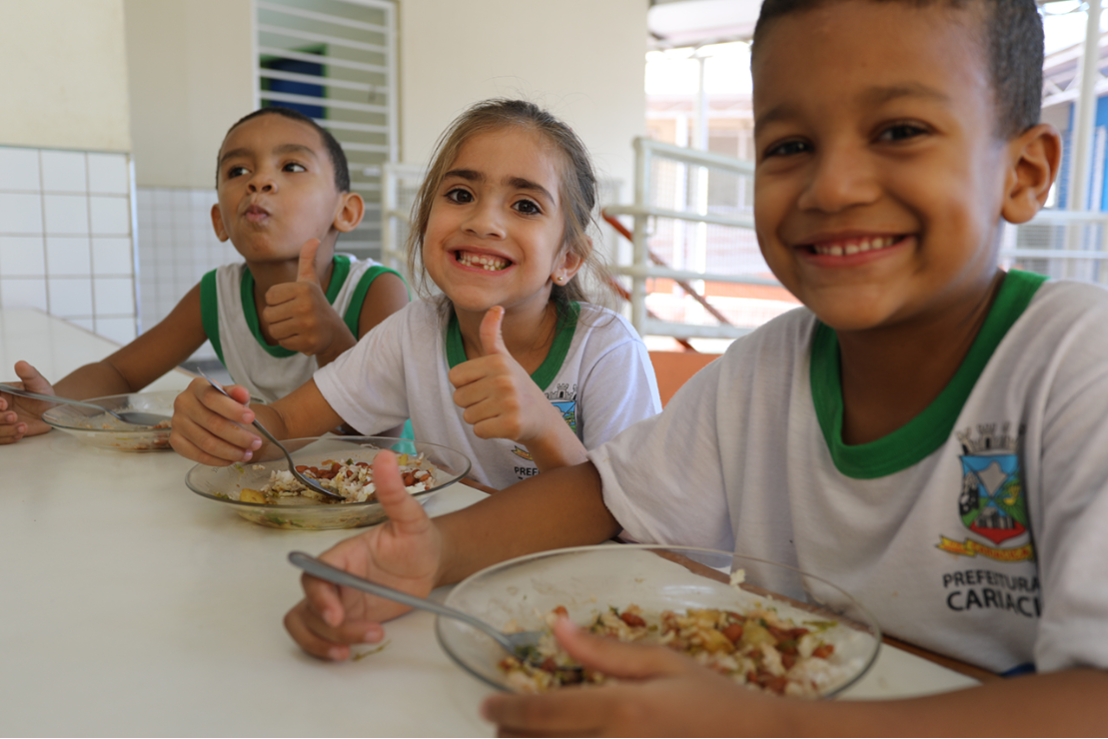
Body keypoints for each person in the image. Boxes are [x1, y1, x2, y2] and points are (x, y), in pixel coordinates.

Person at [281, 0, 1108, 734]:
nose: (834, 184)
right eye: (790, 143)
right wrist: (432, 554)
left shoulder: (1077, 364)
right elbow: (606, 493)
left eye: (899, 131)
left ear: (1023, 172)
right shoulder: (763, 372)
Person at [169, 100, 661, 489]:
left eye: (525, 205)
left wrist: (543, 428)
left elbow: (625, 520)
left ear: (567, 258)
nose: (483, 221)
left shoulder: (607, 352)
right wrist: (224, 425)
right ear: (425, 222)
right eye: (460, 195)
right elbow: (284, 425)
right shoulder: (415, 332)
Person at [0, 106, 410, 442]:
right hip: (269, 479)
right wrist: (52, 406)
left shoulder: (376, 291)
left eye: (292, 166)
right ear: (220, 221)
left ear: (347, 211)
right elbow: (120, 373)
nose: (260, 182)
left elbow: (382, 433)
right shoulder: (218, 294)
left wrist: (331, 340)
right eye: (238, 172)